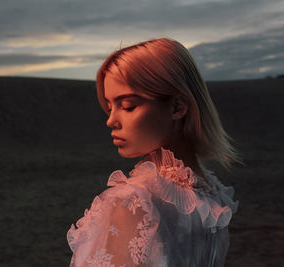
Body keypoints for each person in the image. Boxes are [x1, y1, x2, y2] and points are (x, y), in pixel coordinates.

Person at [67, 38, 241, 266]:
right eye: (110, 107)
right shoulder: (211, 196)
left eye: (127, 106)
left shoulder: (133, 202)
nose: (111, 120)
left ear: (178, 107)